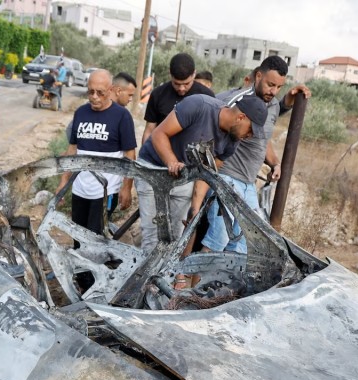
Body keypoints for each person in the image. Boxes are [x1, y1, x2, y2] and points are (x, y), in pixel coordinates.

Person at [200, 56, 312, 254]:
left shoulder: (274, 106)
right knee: (219, 236)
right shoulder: (237, 100)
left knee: (247, 240)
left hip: (249, 183)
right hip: (226, 177)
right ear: (258, 76)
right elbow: (210, 119)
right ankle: (192, 281)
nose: (273, 91)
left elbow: (263, 140)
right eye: (270, 84)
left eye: (279, 87)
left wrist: (275, 163)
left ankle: (223, 283)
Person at [135, 92, 267, 253]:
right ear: (240, 117)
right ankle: (145, 276)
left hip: (184, 179)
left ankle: (163, 276)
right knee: (152, 235)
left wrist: (195, 209)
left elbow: (206, 173)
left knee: (175, 237)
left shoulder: (232, 142)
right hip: (152, 169)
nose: (249, 136)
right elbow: (159, 134)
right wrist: (171, 161)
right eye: (250, 131)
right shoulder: (198, 106)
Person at [56, 69, 136, 235]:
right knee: (78, 236)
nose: (94, 97)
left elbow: (130, 154)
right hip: (79, 188)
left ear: (110, 90)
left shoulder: (122, 116)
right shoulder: (81, 113)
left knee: (95, 237)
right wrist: (64, 182)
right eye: (90, 92)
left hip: (105, 192)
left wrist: (127, 187)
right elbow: (72, 150)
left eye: (100, 92)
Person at [141, 53, 215, 145]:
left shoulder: (207, 96)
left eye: (186, 84)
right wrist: (143, 156)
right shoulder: (158, 94)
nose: (181, 88)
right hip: (159, 152)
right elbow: (149, 130)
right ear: (170, 74)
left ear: (194, 74)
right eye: (176, 84)